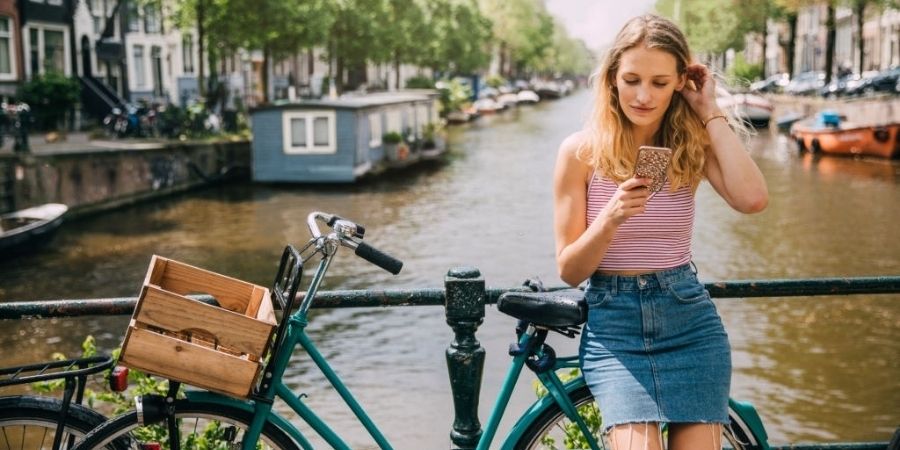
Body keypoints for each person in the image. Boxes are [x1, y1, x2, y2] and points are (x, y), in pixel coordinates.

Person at [552, 14, 768, 450]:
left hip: (688, 321)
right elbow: (571, 271)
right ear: (612, 78)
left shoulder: (691, 146)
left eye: (659, 82)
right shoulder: (580, 152)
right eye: (631, 79)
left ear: (679, 84)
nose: (644, 95)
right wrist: (610, 218)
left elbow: (752, 200)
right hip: (615, 329)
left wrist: (708, 110)